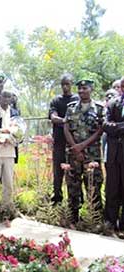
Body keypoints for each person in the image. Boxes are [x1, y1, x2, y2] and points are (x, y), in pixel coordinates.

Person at [64, 79, 104, 225]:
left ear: (91, 89)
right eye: (79, 89)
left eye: (84, 88)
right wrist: (75, 147)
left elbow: (100, 130)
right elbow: (66, 128)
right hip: (73, 155)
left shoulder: (99, 108)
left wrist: (82, 146)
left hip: (92, 155)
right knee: (73, 186)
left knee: (94, 186)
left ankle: (95, 220)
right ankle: (73, 218)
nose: (81, 91)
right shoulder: (71, 108)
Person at [48, 73, 79, 204]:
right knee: (58, 170)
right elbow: (53, 117)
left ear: (72, 84)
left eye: (67, 84)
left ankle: (76, 199)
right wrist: (65, 121)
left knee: (75, 171)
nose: (65, 87)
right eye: (63, 84)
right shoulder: (56, 100)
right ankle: (57, 198)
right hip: (59, 141)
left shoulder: (77, 99)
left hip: (74, 141)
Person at [103, 79, 124, 232]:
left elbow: (111, 127)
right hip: (113, 155)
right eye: (122, 86)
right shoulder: (112, 103)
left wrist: (115, 126)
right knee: (111, 189)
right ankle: (110, 222)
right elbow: (105, 125)